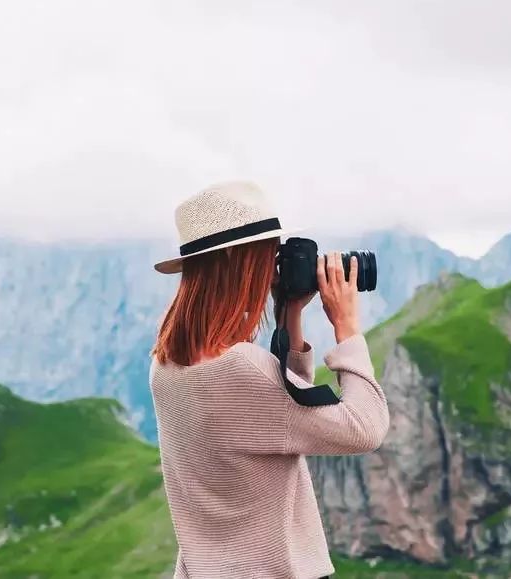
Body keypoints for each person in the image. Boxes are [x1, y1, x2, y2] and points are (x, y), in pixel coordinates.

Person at [149, 180, 390, 579]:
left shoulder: (165, 364)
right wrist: (347, 326)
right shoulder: (239, 368)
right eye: (267, 255)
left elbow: (282, 408)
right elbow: (364, 429)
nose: (274, 267)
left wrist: (288, 314)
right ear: (238, 261)